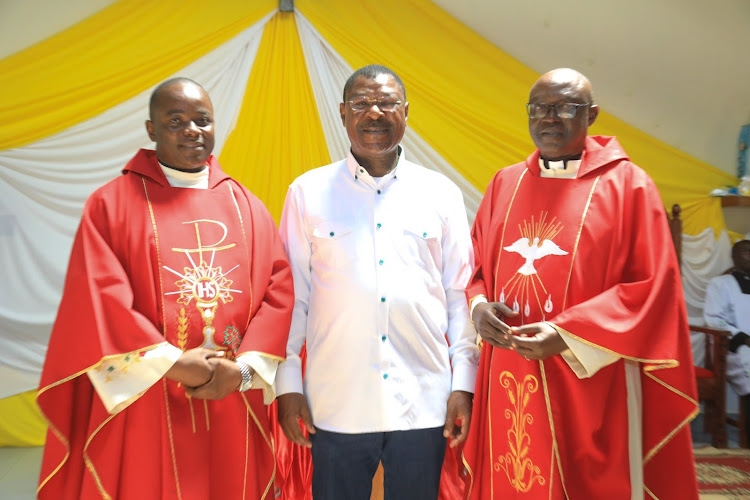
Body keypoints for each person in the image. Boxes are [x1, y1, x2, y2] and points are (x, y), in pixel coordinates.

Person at [36, 78, 293, 500]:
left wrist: (243, 371)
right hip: (147, 396)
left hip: (230, 395)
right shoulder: (111, 205)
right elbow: (98, 301)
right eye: (176, 121)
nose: (192, 130)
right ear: (151, 129)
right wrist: (173, 363)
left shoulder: (247, 206)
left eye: (202, 120)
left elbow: (279, 293)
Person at [462, 68, 698, 499]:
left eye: (564, 108)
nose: (548, 118)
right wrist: (480, 309)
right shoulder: (505, 183)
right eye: (538, 108)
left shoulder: (629, 186)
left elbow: (652, 286)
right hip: (509, 371)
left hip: (590, 375)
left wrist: (567, 334)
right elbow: (474, 269)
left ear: (591, 115)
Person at [275, 64, 479, 500]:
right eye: (362, 104)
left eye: (386, 103)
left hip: (424, 402)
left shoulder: (440, 193)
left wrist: (464, 381)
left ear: (406, 112)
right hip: (336, 405)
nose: (374, 113)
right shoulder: (307, 192)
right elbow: (294, 297)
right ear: (343, 113)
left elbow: (458, 294)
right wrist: (288, 385)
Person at [704, 239, 750, 438]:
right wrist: (742, 338)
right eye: (747, 251)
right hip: (733, 347)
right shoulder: (720, 284)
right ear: (733, 256)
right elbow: (714, 319)